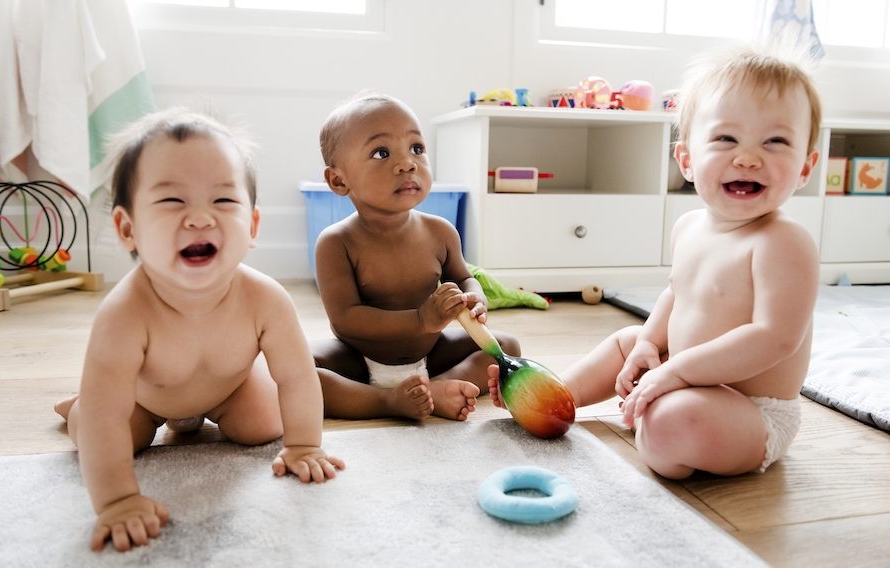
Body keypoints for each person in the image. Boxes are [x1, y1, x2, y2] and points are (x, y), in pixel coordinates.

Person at [491, 44, 822, 479]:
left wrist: (678, 372)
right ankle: (552, 399)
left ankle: (656, 423)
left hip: (749, 411)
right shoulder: (688, 226)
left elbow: (775, 338)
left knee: (673, 419)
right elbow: (676, 293)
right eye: (726, 139)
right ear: (686, 159)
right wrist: (649, 345)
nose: (748, 157)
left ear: (805, 167)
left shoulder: (785, 242)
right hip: (687, 376)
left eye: (775, 141)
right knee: (626, 340)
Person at [54, 108, 344, 553]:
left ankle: (211, 412)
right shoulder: (123, 315)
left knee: (265, 422)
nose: (200, 218)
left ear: (251, 226)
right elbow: (105, 420)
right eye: (172, 201)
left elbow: (296, 376)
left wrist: (304, 445)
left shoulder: (265, 299)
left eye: (223, 201)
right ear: (127, 228)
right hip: (144, 400)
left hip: (228, 390)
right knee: (108, 430)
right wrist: (117, 500)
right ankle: (80, 402)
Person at [312, 91, 521, 421]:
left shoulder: (441, 231)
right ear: (339, 180)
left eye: (416, 148)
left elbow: (463, 276)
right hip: (359, 359)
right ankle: (386, 401)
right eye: (382, 153)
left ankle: (436, 388)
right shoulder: (336, 242)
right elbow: (345, 318)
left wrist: (474, 298)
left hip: (430, 350)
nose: (408, 162)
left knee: (506, 348)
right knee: (297, 370)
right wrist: (420, 320)